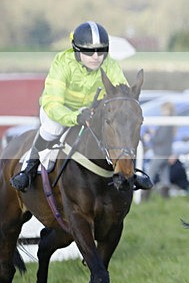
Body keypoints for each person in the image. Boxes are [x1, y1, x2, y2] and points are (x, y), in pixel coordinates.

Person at [11, 21, 153, 192]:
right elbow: (53, 104)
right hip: (59, 111)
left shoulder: (111, 65)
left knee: (117, 130)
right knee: (52, 129)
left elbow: (120, 98)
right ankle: (28, 170)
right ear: (77, 51)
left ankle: (129, 172)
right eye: (89, 51)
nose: (96, 56)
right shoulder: (62, 63)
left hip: (91, 112)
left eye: (101, 50)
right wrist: (76, 117)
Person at [144, 101, 177, 198]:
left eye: (163, 110)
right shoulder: (171, 122)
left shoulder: (166, 123)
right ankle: (166, 198)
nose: (162, 112)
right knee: (164, 177)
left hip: (160, 154)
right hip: (166, 153)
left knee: (150, 174)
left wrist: (150, 138)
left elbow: (160, 139)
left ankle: (144, 197)